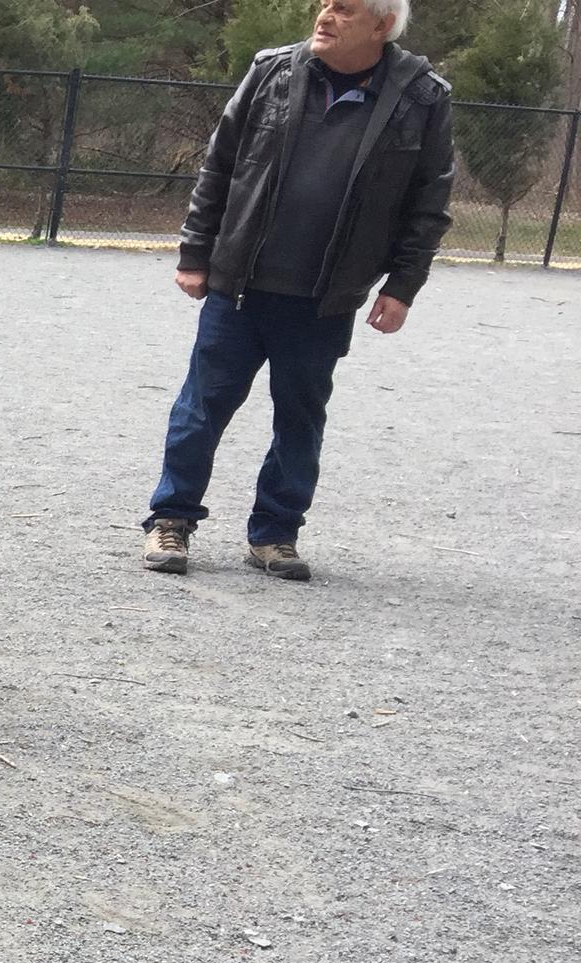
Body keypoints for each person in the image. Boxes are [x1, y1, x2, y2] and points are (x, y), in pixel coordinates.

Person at [141, 0, 453, 581]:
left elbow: (428, 204)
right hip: (240, 284)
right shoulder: (272, 71)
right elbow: (220, 165)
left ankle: (275, 535)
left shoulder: (423, 98)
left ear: (381, 26)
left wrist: (403, 286)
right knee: (201, 406)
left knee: (300, 418)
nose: (325, 15)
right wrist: (194, 252)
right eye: (325, 3)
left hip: (324, 297)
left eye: (344, 8)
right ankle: (171, 519)